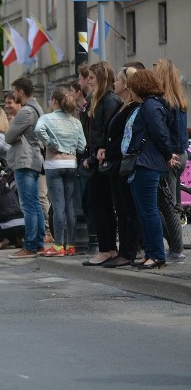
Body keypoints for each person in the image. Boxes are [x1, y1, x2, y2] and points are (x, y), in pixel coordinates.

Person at [124, 69, 176, 269]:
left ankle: (156, 254)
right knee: (145, 211)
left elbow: (159, 134)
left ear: (139, 87)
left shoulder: (150, 106)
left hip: (147, 163)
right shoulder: (150, 105)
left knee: (149, 211)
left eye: (132, 88)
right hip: (145, 163)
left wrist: (167, 154)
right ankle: (151, 253)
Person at [35, 87, 86, 257]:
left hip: (54, 164)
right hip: (71, 164)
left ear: (54, 101)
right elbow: (82, 146)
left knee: (58, 206)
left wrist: (52, 143)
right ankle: (71, 245)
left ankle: (58, 246)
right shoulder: (75, 121)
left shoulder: (47, 118)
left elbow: (38, 130)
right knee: (70, 206)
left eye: (50, 100)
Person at [81, 62, 123, 266]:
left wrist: (92, 158)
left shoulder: (109, 101)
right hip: (97, 160)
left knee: (97, 205)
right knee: (97, 204)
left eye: (91, 77)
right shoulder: (97, 100)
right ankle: (108, 248)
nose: (88, 80)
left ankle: (106, 249)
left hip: (102, 162)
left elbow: (107, 132)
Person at [100, 66, 141, 267]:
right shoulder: (123, 105)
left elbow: (126, 136)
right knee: (122, 210)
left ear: (126, 83)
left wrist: (110, 151)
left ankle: (128, 251)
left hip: (123, 161)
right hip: (116, 162)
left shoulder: (133, 107)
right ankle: (123, 249)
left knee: (128, 209)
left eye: (117, 79)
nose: (114, 83)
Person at [4, 77, 45, 259]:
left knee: (28, 204)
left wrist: (13, 131)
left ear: (20, 91)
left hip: (24, 159)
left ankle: (30, 245)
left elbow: (9, 136)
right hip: (34, 159)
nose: (14, 95)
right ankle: (39, 242)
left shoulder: (26, 112)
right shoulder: (38, 108)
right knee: (35, 203)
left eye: (15, 91)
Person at [153, 59, 187, 263]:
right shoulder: (180, 100)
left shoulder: (165, 102)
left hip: (170, 156)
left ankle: (176, 248)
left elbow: (163, 133)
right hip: (180, 154)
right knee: (171, 204)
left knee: (167, 205)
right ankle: (176, 247)